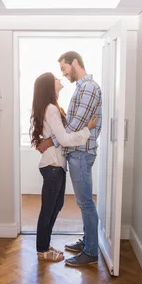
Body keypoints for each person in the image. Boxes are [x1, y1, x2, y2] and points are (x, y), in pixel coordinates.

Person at [37, 52, 102, 267]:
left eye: (64, 69)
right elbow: (71, 126)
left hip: (81, 152)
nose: (63, 75)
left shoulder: (89, 88)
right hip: (75, 151)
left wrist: (50, 141)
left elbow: (73, 126)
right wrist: (55, 140)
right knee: (81, 203)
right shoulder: (80, 89)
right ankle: (87, 242)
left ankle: (91, 250)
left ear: (74, 62)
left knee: (84, 203)